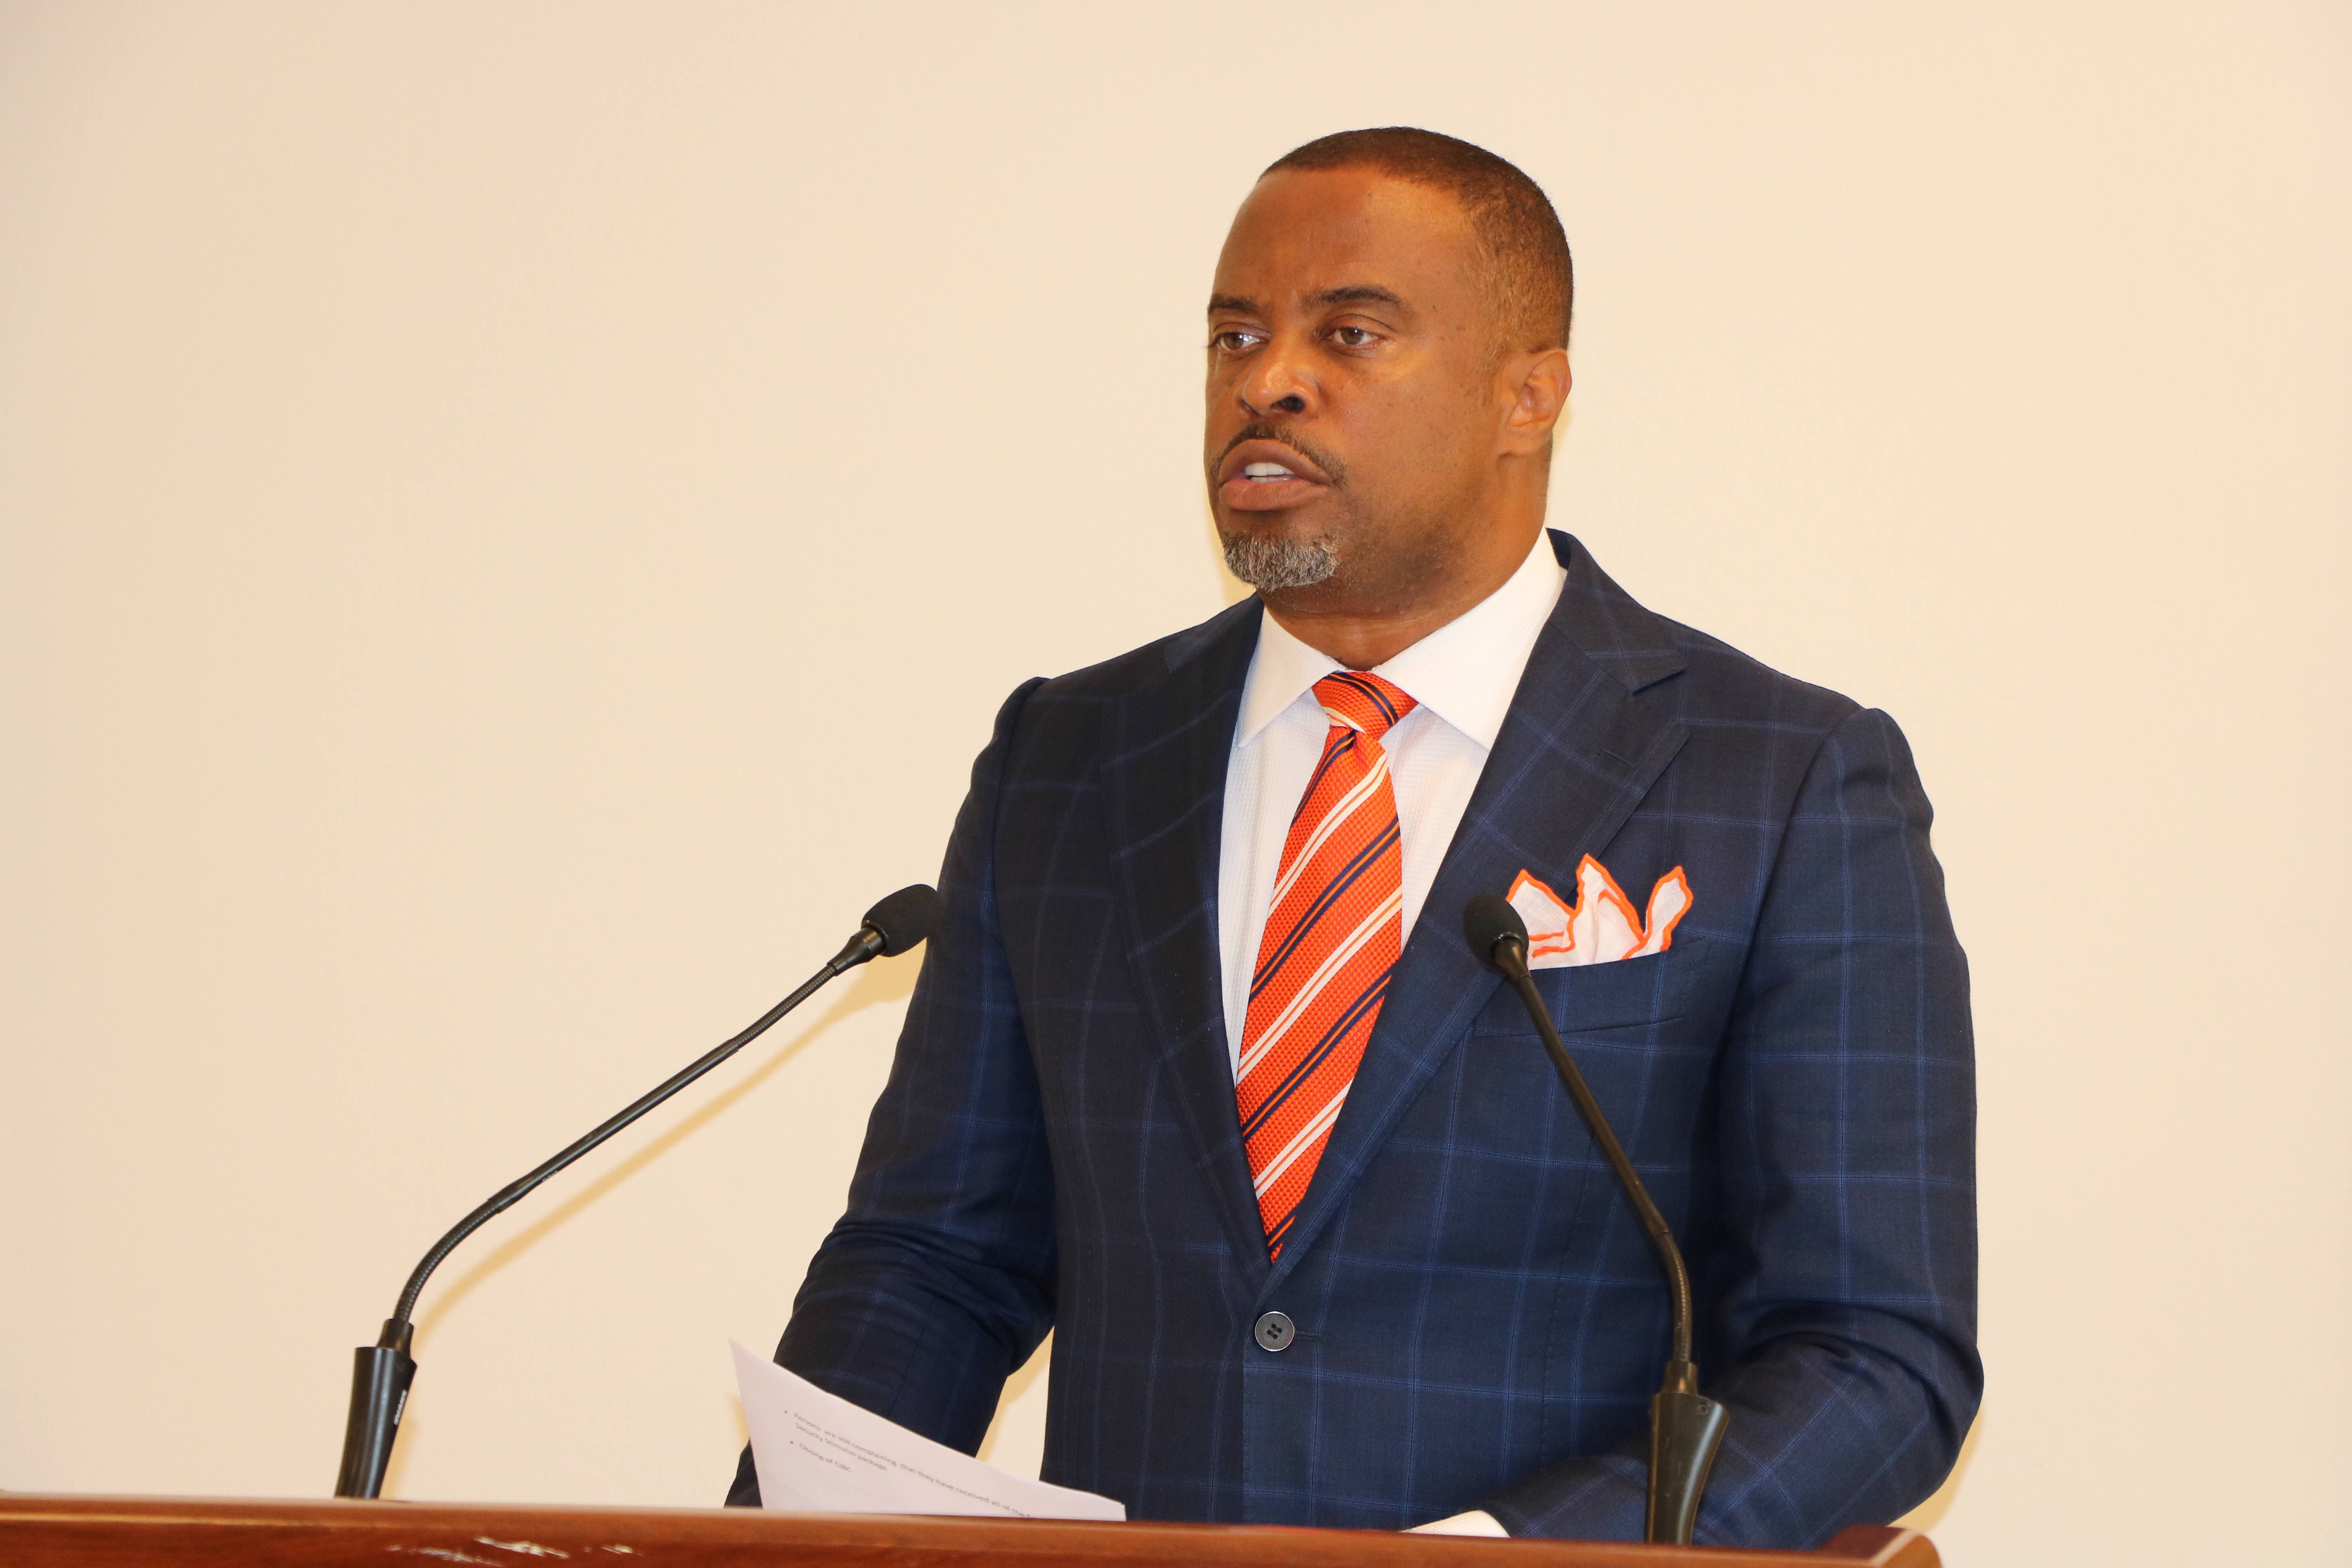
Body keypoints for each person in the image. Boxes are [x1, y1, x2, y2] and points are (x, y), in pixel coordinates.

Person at [727, 127, 1978, 1546]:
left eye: (1352, 332)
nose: (1266, 381)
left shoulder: (1781, 780)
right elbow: (936, 1263)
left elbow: (1876, 1359)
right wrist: (772, 1540)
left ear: (1531, 394)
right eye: (1235, 335)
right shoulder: (1071, 760)